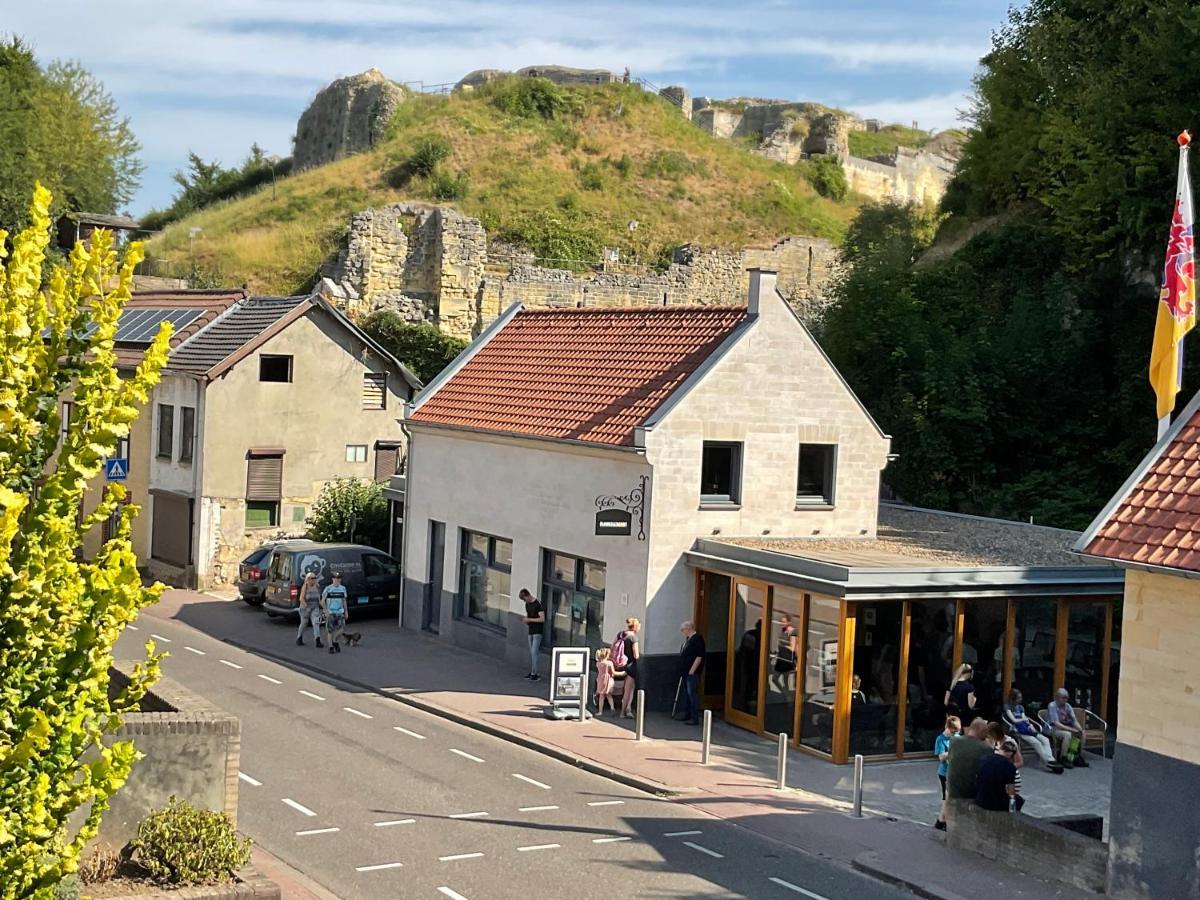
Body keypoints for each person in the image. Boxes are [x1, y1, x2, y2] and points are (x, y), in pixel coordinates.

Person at [1003, 688, 1063, 772]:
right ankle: (1048, 761)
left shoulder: (1020, 707)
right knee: (1036, 742)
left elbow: (1025, 719)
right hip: (1018, 730)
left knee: (1045, 740)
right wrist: (1023, 720)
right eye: (1018, 698)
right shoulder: (1008, 706)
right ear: (1013, 698)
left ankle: (1051, 760)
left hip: (1027, 729)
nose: (1021, 699)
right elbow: (1014, 720)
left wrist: (1030, 725)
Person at [945, 718, 993, 803]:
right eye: (986, 733)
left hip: (952, 789)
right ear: (981, 731)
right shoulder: (986, 748)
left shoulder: (954, 741)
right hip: (972, 792)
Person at [976, 736, 1020, 811]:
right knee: (1019, 800)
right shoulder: (1009, 766)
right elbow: (1011, 789)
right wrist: (1012, 803)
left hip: (979, 799)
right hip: (995, 803)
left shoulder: (984, 758)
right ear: (1010, 753)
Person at [1047, 688, 1089, 767]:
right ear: (1057, 697)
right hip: (1053, 728)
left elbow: (1074, 720)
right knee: (1067, 734)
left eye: (1066, 698)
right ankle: (1063, 757)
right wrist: (1072, 729)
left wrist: (1080, 729)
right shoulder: (1052, 705)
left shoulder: (1068, 706)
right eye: (1063, 698)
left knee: (1082, 733)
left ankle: (1076, 756)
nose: (1065, 700)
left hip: (1066, 727)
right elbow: (1056, 723)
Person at [933, 714, 961, 831]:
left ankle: (941, 820)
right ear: (948, 728)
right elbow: (941, 757)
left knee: (948, 797)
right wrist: (952, 751)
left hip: (954, 771)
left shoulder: (957, 737)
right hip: (944, 772)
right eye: (953, 732)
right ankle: (942, 820)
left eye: (957, 732)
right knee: (946, 797)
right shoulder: (941, 739)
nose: (955, 735)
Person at [676, 621, 706, 725]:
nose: (682, 631)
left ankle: (694, 718)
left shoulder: (697, 639)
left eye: (683, 629)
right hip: (685, 671)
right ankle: (687, 714)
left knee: (692, 694)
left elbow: (699, 656)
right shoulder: (688, 639)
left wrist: (692, 670)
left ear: (689, 628)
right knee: (687, 694)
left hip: (691, 672)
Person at [519, 589, 545, 682]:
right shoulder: (527, 604)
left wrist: (529, 620)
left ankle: (535, 673)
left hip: (537, 631)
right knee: (532, 653)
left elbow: (542, 619)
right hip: (531, 630)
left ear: (527, 595)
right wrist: (527, 620)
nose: (524, 601)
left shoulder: (537, 604)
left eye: (524, 599)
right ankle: (533, 671)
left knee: (534, 652)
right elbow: (529, 616)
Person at [619, 617, 642, 719]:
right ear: (635, 627)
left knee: (628, 688)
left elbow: (613, 647)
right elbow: (636, 655)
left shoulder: (621, 634)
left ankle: (628, 708)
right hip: (631, 665)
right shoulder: (633, 638)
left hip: (620, 663)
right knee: (628, 689)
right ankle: (623, 712)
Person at [771, 613, 798, 694]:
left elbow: (793, 648)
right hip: (781, 658)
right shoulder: (783, 630)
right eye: (781, 622)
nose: (782, 623)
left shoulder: (792, 631)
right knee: (782, 679)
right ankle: (786, 694)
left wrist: (783, 646)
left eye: (784, 622)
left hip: (787, 658)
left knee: (776, 678)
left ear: (789, 622)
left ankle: (785, 694)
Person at [321, 574, 348, 654]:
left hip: (340, 612)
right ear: (332, 579)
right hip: (331, 612)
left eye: (339, 578)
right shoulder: (328, 589)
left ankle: (334, 640)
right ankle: (331, 647)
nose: (337, 580)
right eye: (336, 578)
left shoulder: (343, 588)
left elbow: (344, 601)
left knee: (341, 628)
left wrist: (346, 612)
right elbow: (322, 601)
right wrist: (325, 611)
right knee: (330, 630)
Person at [296, 573, 323, 647]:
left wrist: (324, 607)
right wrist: (306, 606)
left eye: (314, 578)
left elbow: (319, 599)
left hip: (315, 607)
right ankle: (299, 637)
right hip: (305, 608)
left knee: (316, 622)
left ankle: (317, 640)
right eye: (311, 578)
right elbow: (301, 598)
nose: (313, 580)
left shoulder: (317, 587)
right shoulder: (305, 587)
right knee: (304, 623)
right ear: (307, 579)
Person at [594, 647, 616, 716]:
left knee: (601, 696)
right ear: (607, 655)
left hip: (601, 679)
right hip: (608, 680)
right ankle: (612, 708)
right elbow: (613, 672)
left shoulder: (598, 663)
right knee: (609, 695)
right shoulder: (609, 663)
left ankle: (600, 711)